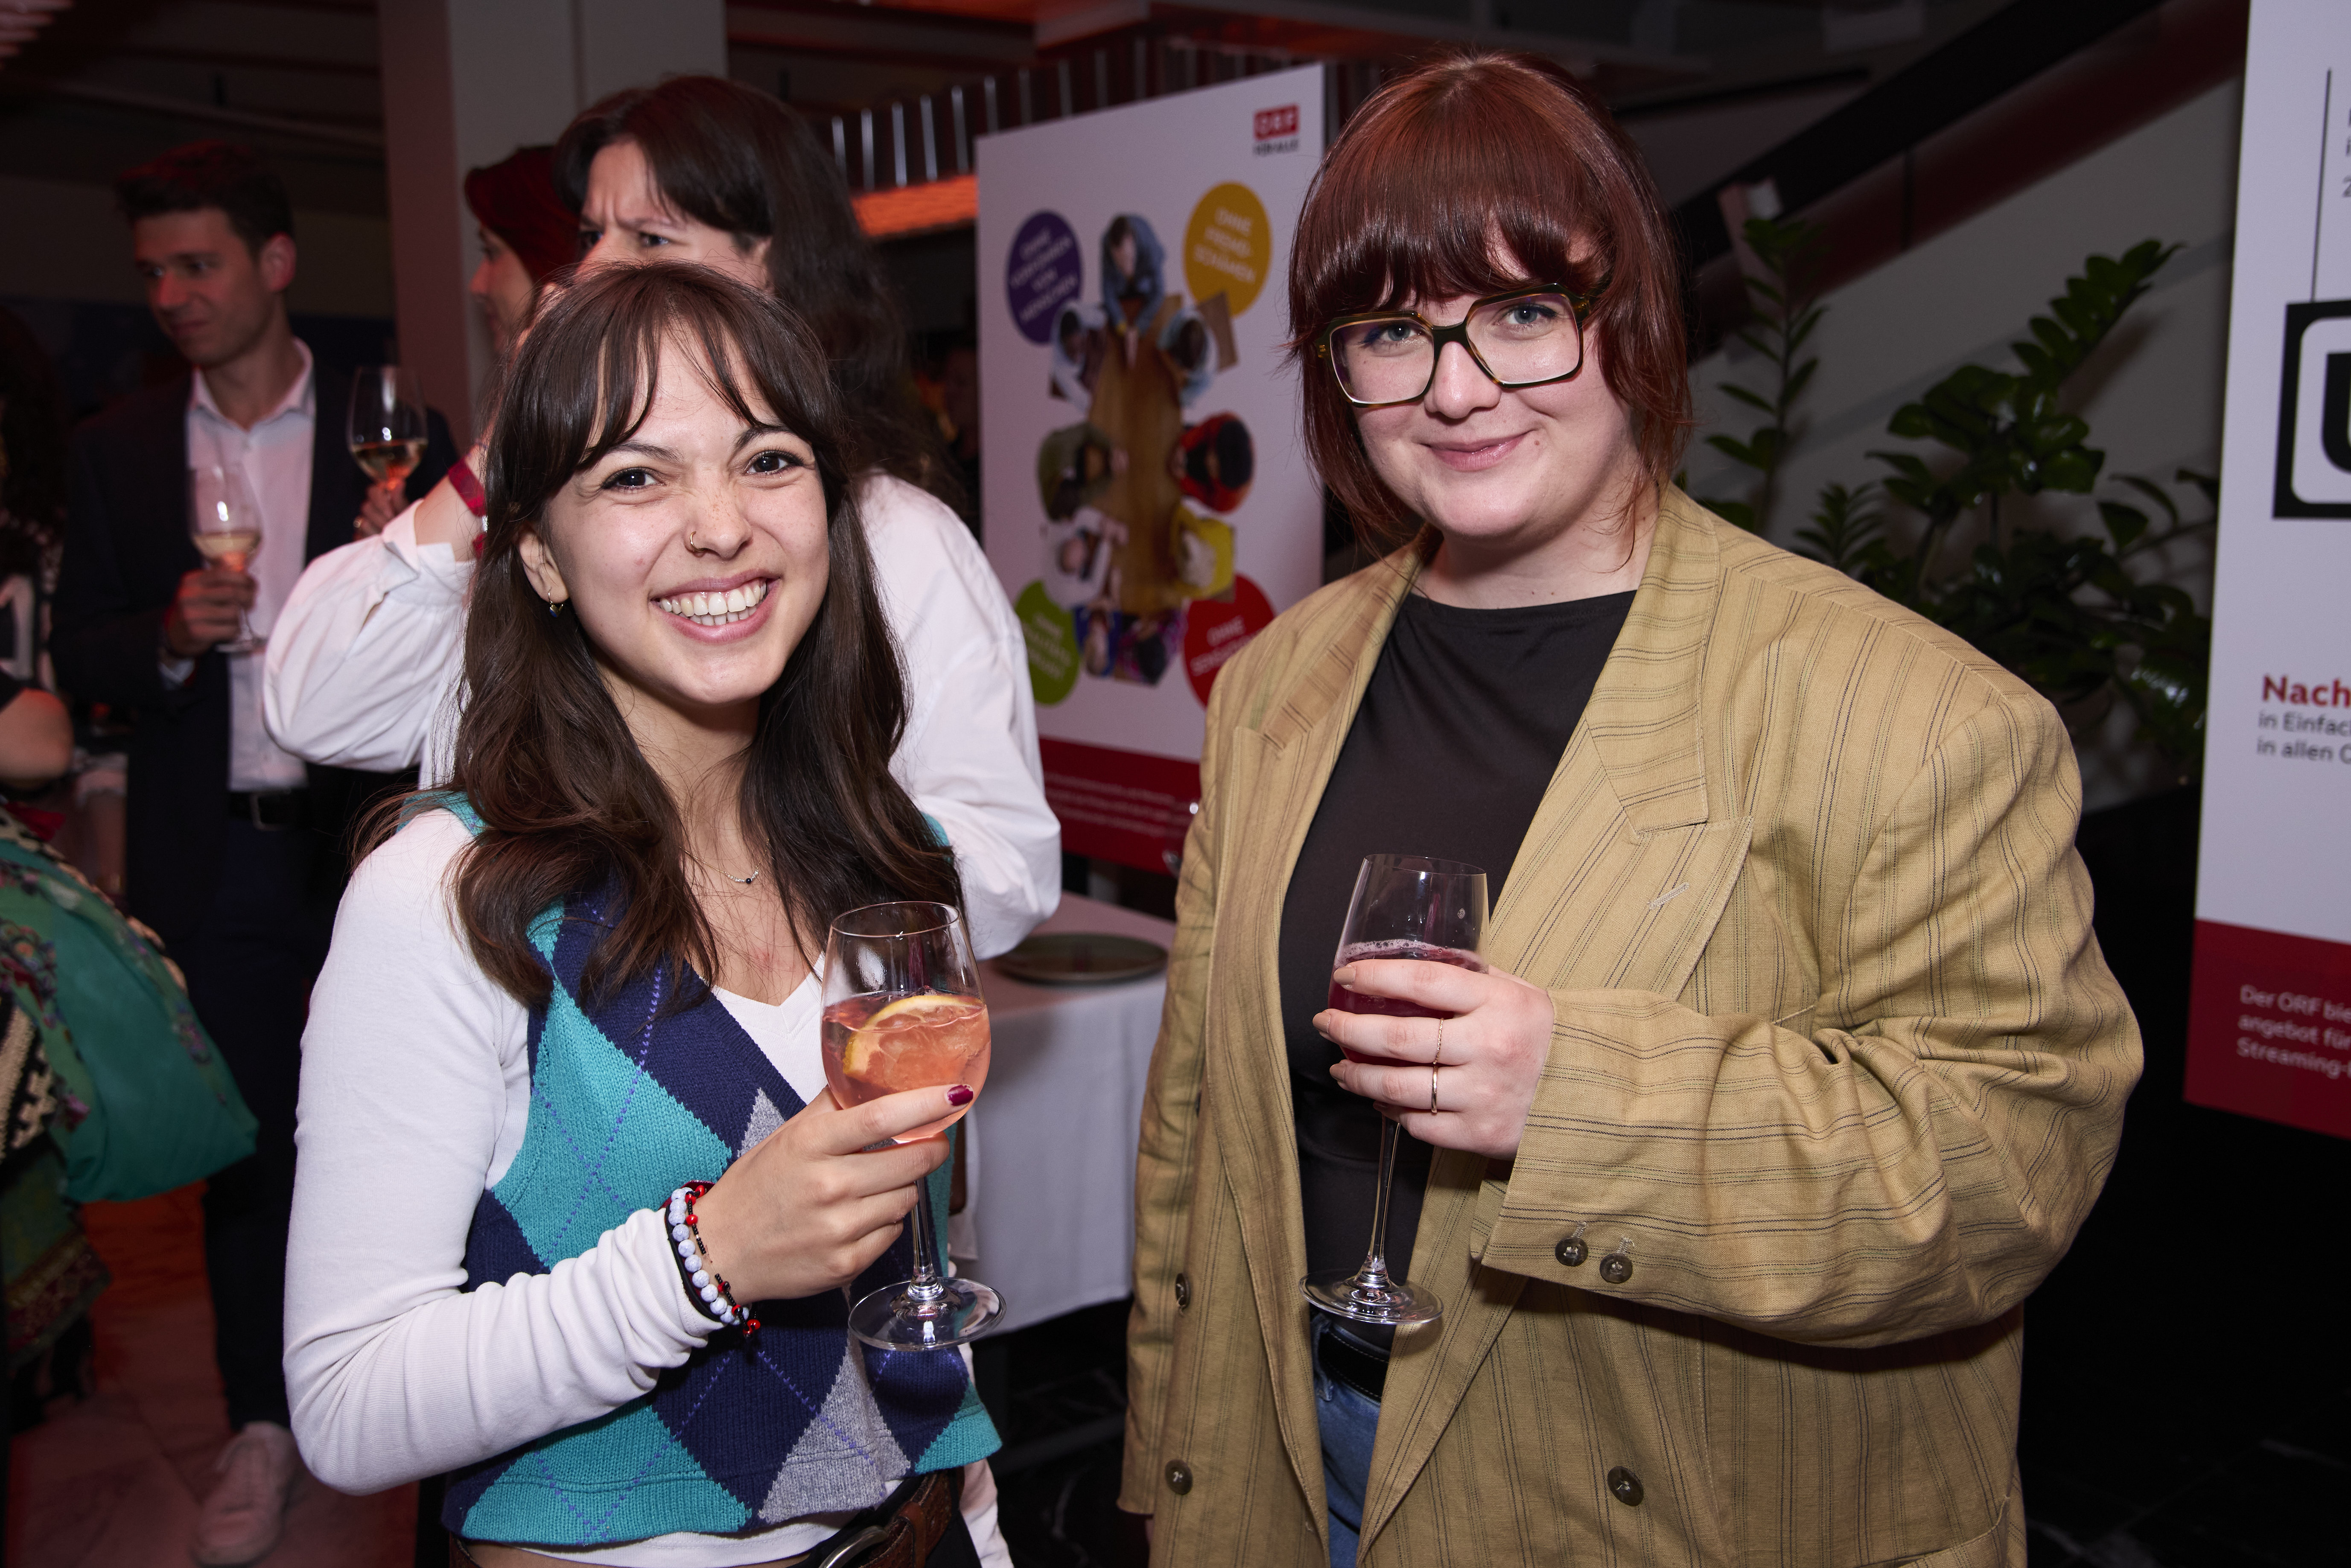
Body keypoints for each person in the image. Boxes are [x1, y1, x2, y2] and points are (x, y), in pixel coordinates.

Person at [1122, 52, 2140, 1568]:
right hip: (1290, 1453)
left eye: (1520, 313)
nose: (1453, 388)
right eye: (1390, 331)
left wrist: (1575, 1099)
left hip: (1684, 1501)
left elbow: (2001, 1176)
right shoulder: (1280, 680)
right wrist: (1170, 1462)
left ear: (1631, 321)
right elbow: (1196, 1130)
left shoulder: (1918, 715)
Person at [285, 263, 1009, 1567]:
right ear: (539, 554)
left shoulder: (893, 855)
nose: (720, 525)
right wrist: (705, 1257)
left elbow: (915, 1273)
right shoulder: (449, 898)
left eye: (767, 460)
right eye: (635, 476)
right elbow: (346, 1401)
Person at [263, 76, 1056, 959]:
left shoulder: (888, 531)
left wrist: (758, 872)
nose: (594, 271)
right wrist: (508, 446)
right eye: (590, 236)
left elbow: (1009, 864)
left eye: (650, 238)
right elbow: (313, 706)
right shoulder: (561, 525)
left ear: (770, 270)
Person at [46, 139, 457, 1565]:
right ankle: (260, 1425)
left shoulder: (387, 429)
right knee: (248, 1154)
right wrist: (165, 635)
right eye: (152, 270)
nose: (171, 293)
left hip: (364, 846)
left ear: (276, 264)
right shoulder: (118, 447)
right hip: (211, 851)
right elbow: (76, 650)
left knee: (405, 1125)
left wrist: (405, 561)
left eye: (198, 263)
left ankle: (417, 1393)